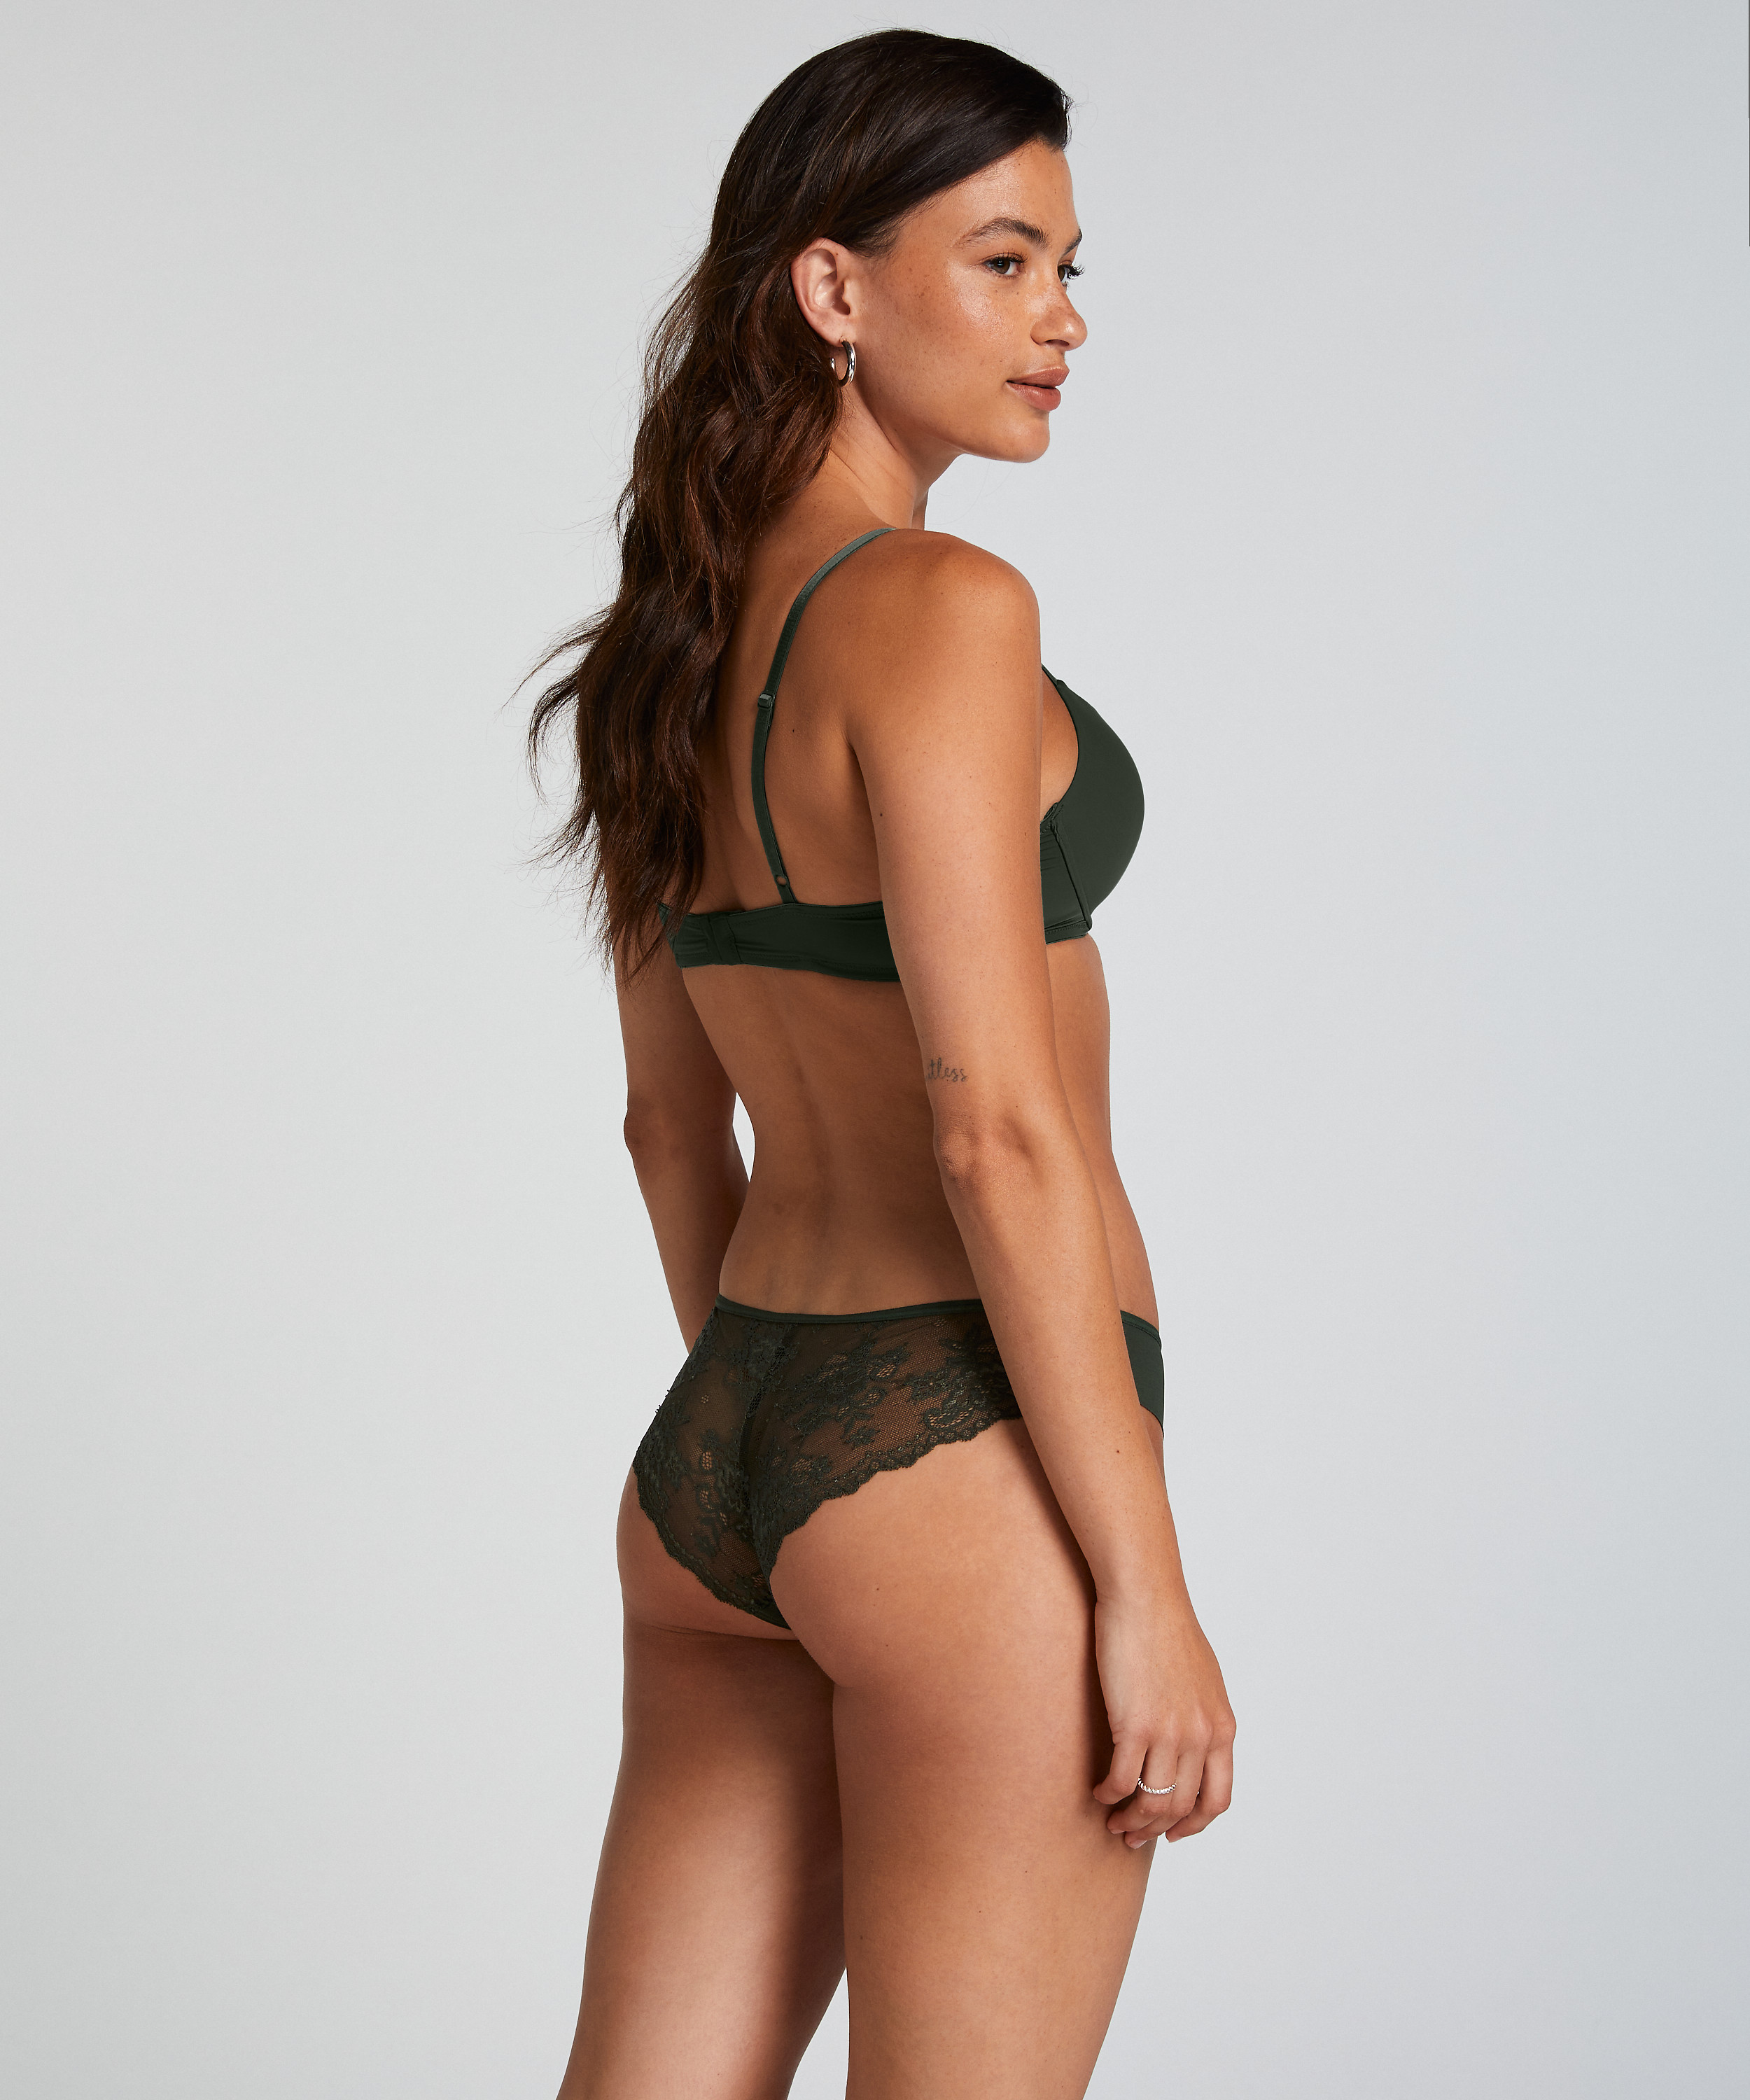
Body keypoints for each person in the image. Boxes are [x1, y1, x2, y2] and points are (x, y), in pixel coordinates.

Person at [531, 29, 1236, 2099]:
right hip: (965, 1461)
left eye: (1070, 268)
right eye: (1003, 262)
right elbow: (994, 1128)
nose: (1061, 320)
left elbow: (669, 1123)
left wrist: (776, 1465)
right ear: (831, 288)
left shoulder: (659, 647)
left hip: (725, 1452)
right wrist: (1143, 1589)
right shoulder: (941, 609)